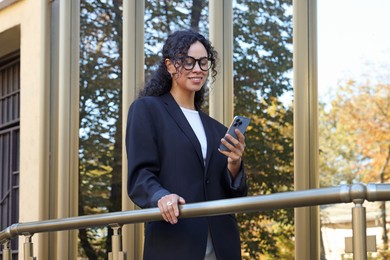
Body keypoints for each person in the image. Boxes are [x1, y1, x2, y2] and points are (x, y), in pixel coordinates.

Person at [126, 29, 248, 260]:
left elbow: (233, 195)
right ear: (170, 65)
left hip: (223, 247)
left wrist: (234, 164)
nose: (197, 69)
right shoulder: (147, 110)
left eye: (203, 62)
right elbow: (140, 175)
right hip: (176, 242)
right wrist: (160, 196)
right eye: (188, 61)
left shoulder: (217, 130)